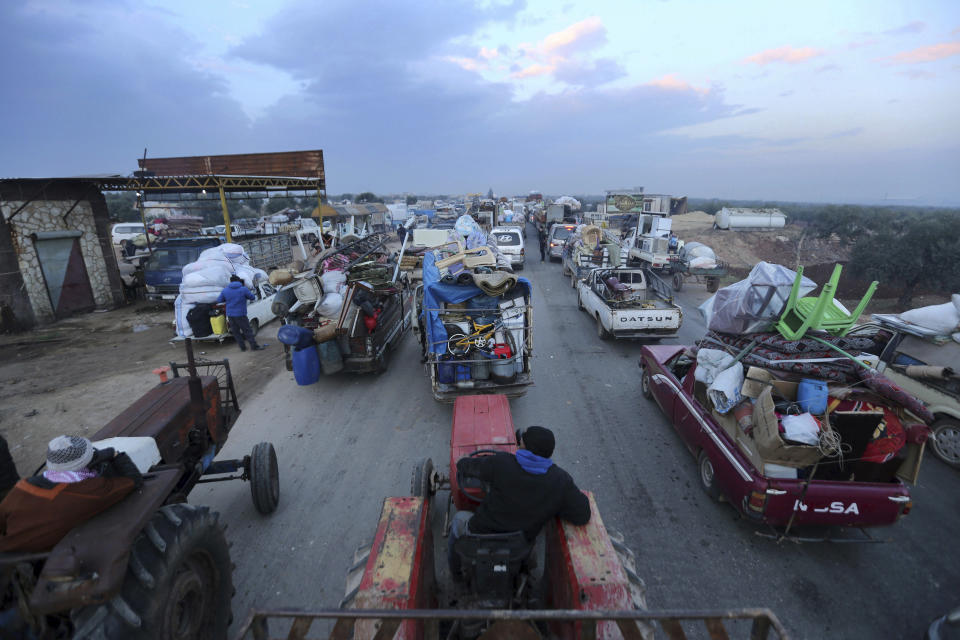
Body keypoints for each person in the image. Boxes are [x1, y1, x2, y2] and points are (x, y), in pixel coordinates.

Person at [448, 426, 590, 577]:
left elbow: (464, 466)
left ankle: (455, 574)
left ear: (524, 447)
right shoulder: (560, 480)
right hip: (518, 545)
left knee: (458, 519)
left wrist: (462, 460)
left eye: (521, 442)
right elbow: (583, 514)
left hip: (480, 534)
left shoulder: (501, 463)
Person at [0, 436, 143, 552]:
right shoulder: (92, 490)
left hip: (8, 551)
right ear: (88, 459)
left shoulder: (23, 486)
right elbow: (134, 480)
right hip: (38, 556)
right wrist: (115, 454)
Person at [216, 275, 266, 352]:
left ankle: (242, 347)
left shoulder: (225, 290)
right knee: (247, 331)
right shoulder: (243, 289)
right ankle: (254, 346)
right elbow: (252, 297)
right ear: (239, 281)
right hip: (241, 314)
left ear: (231, 281)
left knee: (236, 332)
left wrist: (228, 299)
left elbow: (219, 300)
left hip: (230, 315)